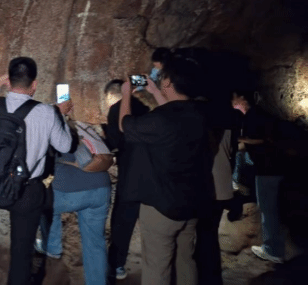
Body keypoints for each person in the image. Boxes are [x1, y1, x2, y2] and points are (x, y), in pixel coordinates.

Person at [0, 57, 73, 285]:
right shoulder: (47, 112)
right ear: (35, 84)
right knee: (21, 254)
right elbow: (65, 146)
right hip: (26, 192)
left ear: (9, 81)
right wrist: (62, 114)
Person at [119, 56, 212, 285]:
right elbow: (175, 112)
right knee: (186, 261)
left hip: (162, 207)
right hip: (192, 203)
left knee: (157, 269)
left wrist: (125, 94)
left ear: (168, 82)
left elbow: (124, 124)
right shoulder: (202, 114)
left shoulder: (159, 120)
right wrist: (155, 92)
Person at [35, 122, 111, 285]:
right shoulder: (84, 128)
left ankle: (52, 248)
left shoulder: (50, 131)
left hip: (67, 193)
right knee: (95, 242)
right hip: (101, 190)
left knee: (43, 206)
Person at [231, 90, 285, 263]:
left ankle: (273, 251)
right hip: (269, 166)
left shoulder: (254, 116)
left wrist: (241, 139)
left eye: (234, 96)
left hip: (268, 168)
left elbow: (265, 139)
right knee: (270, 209)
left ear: (242, 98)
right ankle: (236, 181)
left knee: (268, 210)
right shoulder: (253, 115)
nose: (232, 99)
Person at [104, 79, 149, 281]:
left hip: (130, 174)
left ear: (112, 95)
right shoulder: (144, 108)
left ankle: (116, 265)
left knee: (122, 223)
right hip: (151, 176)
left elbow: (116, 142)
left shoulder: (115, 110)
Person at [195, 102, 241, 285]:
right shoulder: (228, 130)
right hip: (222, 187)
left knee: (203, 235)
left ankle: (205, 276)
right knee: (210, 234)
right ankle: (211, 276)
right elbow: (232, 154)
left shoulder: (200, 132)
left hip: (206, 188)